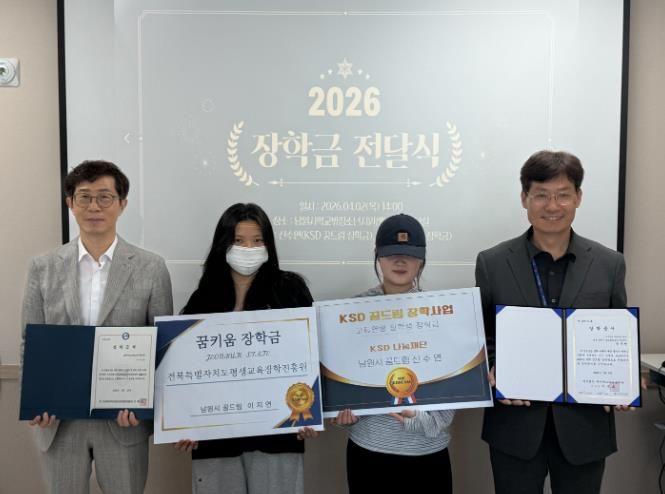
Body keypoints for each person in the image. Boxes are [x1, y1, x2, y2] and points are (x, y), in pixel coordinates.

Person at [475, 150, 630, 494]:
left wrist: (622, 379)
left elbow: (619, 336)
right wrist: (496, 367)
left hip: (584, 427)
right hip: (515, 425)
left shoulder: (609, 264)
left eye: (563, 195)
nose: (552, 206)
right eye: (541, 195)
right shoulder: (493, 262)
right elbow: (481, 336)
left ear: (578, 198)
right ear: (524, 198)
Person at [21, 160, 173, 494]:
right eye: (84, 197)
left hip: (124, 422)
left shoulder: (151, 267)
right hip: (60, 421)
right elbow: (30, 343)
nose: (94, 206)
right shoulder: (43, 268)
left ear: (122, 204)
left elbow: (162, 345)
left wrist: (143, 406)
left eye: (105, 197)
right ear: (70, 203)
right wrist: (38, 400)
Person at [175, 203, 317, 494]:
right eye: (238, 241)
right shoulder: (204, 297)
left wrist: (310, 410)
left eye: (257, 241)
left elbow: (310, 354)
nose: (248, 249)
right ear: (223, 245)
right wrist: (182, 421)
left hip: (278, 433)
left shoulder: (290, 289)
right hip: (216, 437)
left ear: (269, 245)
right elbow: (184, 366)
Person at [334, 213, 455, 493]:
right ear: (378, 256)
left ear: (422, 260)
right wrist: (344, 414)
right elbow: (342, 387)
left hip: (428, 454)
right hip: (368, 452)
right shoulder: (350, 312)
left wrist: (423, 422)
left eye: (410, 255)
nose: (400, 262)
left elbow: (453, 390)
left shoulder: (443, 313)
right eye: (391, 254)